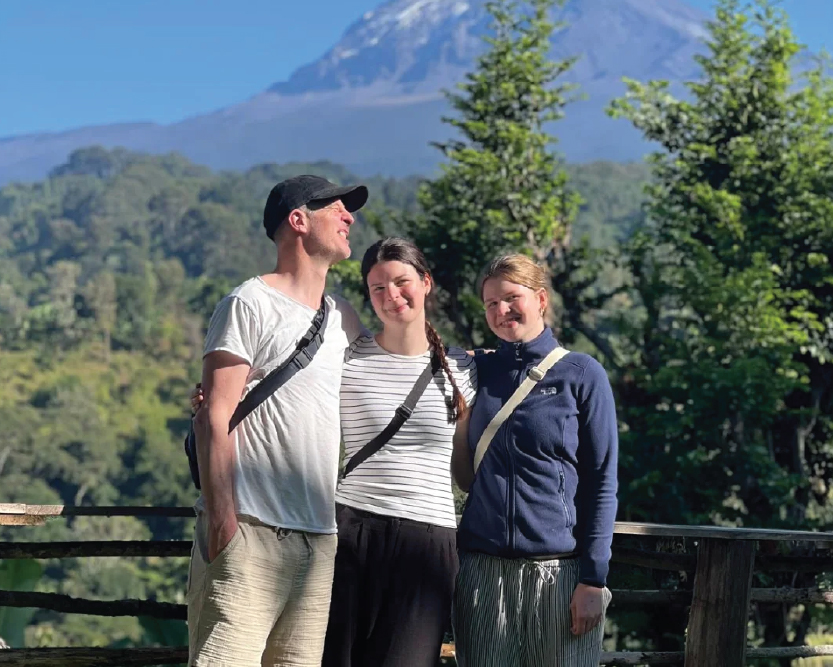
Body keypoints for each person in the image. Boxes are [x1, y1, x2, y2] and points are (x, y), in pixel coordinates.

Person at [187, 174, 367, 667]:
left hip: (317, 539)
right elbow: (214, 416)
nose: (350, 218)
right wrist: (224, 523)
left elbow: (397, 365)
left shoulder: (343, 319)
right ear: (298, 220)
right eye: (336, 209)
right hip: (249, 531)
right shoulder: (249, 303)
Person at [451, 254, 618, 667]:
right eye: (490, 303)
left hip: (558, 576)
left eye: (511, 297)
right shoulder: (475, 370)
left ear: (540, 299)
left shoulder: (581, 374)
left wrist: (593, 581)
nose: (501, 310)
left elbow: (602, 481)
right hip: (482, 576)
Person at [321, 237, 476, 667]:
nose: (392, 296)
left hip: (429, 538)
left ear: (425, 283)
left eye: (402, 282)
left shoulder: (464, 369)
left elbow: (465, 472)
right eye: (378, 288)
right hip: (351, 531)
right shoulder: (349, 358)